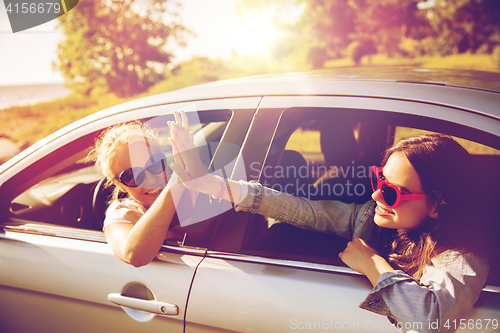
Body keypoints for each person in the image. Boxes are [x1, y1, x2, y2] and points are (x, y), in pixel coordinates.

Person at [169, 111, 489, 333]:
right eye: (379, 180)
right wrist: (212, 185)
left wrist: (373, 265)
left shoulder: (462, 257)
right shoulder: (371, 219)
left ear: (434, 206)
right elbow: (302, 209)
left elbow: (431, 320)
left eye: (392, 193)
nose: (376, 195)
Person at [93, 117, 195, 267]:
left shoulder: (195, 188)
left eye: (154, 165)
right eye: (133, 176)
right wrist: (174, 185)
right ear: (119, 185)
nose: (151, 181)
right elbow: (134, 256)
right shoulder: (123, 213)